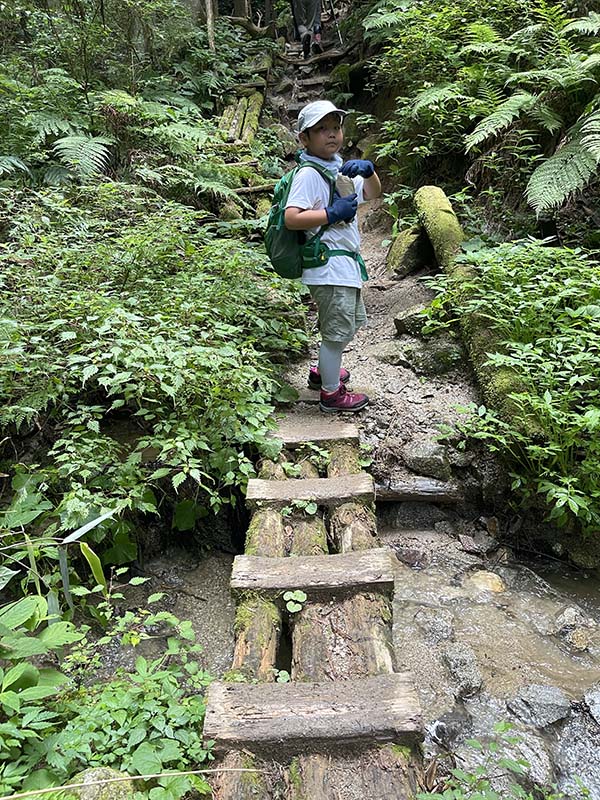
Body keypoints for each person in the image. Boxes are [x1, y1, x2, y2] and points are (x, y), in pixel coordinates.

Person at [284, 100, 382, 413]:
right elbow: (291, 218)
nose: (331, 135)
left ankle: (323, 369)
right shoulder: (309, 174)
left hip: (342, 265)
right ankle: (331, 394)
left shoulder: (337, 168)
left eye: (336, 127)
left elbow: (372, 193)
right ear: (304, 138)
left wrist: (369, 171)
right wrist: (328, 213)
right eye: (322, 129)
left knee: (344, 325)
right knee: (337, 331)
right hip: (328, 265)